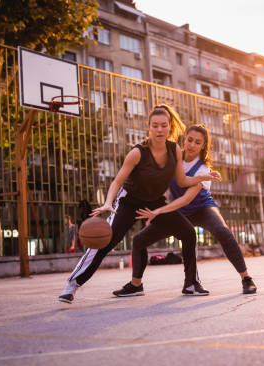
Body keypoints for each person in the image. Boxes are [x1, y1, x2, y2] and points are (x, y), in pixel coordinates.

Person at [58, 105, 221, 303]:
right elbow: (117, 181)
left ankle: (191, 284)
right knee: (105, 241)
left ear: (170, 127)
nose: (159, 130)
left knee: (188, 233)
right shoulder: (137, 152)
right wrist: (109, 203)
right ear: (149, 127)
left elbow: (182, 180)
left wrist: (204, 176)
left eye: (164, 125)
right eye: (155, 126)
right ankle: (72, 285)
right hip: (129, 202)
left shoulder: (175, 150)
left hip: (154, 203)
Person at [134, 124, 257, 294]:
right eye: (189, 140)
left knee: (223, 231)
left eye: (197, 142)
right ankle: (136, 285)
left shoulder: (203, 169)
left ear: (203, 146)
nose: (192, 145)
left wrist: (159, 211)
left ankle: (246, 278)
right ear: (184, 140)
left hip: (201, 208)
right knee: (139, 240)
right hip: (178, 210)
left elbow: (187, 199)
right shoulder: (173, 158)